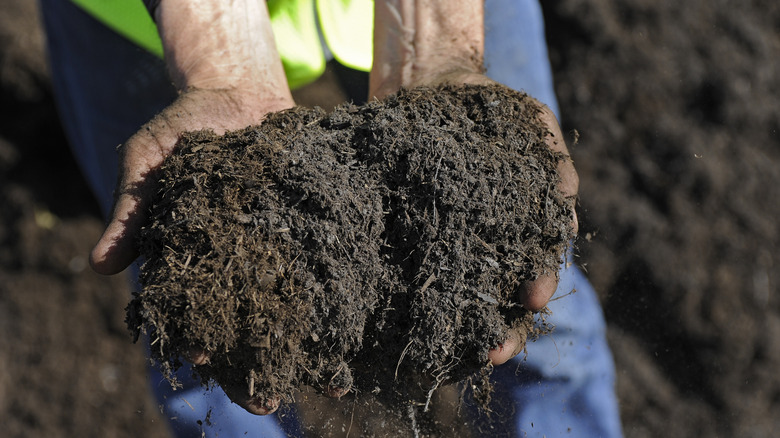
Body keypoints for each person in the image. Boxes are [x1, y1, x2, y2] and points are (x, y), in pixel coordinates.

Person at [41, 0, 623, 436]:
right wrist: (220, 65)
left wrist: (439, 42)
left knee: (528, 286)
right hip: (148, 21)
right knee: (210, 327)